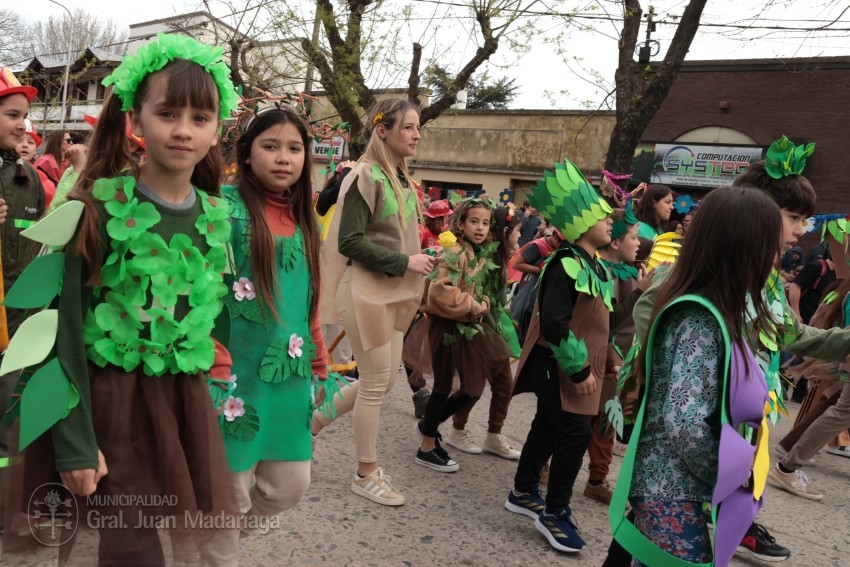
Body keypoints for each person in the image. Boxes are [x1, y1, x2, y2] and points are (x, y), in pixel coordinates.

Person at [2, 34, 240, 564]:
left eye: (201, 117)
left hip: (179, 406)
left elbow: (210, 317)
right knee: (132, 548)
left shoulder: (217, 216)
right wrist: (77, 441)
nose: (183, 129)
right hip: (108, 407)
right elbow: (63, 329)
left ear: (217, 128)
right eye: (167, 112)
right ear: (136, 120)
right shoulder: (98, 209)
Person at [604, 136, 846, 565]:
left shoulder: (749, 289)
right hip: (681, 476)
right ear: (748, 233)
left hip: (695, 469)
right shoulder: (701, 310)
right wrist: (731, 475)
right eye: (792, 219)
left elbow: (791, 334)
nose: (798, 235)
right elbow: (683, 419)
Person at [204, 107, 346, 565]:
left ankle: (206, 539)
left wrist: (320, 360)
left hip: (289, 377)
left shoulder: (306, 221)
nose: (283, 158)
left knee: (289, 485)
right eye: (270, 146)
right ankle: (214, 547)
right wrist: (210, 358)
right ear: (246, 155)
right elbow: (198, 292)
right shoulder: (221, 210)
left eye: (294, 148)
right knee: (231, 496)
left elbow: (309, 301)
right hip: (231, 378)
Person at [614, 185, 780, 567]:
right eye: (767, 246)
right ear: (741, 247)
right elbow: (684, 423)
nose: (774, 258)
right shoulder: (701, 319)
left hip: (672, 486)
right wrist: (729, 475)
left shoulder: (714, 309)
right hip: (670, 488)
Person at [314, 98, 436, 506]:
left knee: (381, 384)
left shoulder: (401, 180)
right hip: (365, 291)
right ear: (382, 130)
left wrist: (419, 263)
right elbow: (348, 242)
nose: (416, 135)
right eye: (408, 127)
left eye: (419, 128)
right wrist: (405, 260)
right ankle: (366, 473)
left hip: (396, 293)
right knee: (372, 385)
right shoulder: (364, 175)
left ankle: (307, 425)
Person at [504, 158, 613, 554]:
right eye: (603, 217)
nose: (610, 224)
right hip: (558, 366)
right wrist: (581, 368)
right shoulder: (566, 263)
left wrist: (611, 359)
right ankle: (555, 512)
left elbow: (597, 322)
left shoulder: (594, 265)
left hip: (575, 368)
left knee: (550, 428)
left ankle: (522, 489)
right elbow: (555, 324)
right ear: (582, 222)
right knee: (574, 433)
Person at [420, 203, 522, 461]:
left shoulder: (479, 254)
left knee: (472, 388)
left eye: (485, 223)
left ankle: (428, 428)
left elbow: (480, 286)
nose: (480, 227)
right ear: (461, 224)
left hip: (467, 325)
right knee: (443, 386)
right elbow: (438, 291)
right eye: (474, 221)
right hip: (446, 325)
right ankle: (427, 445)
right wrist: (470, 303)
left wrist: (485, 301)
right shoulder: (453, 251)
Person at [0, 66, 44, 533]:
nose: (23, 126)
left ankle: (10, 506)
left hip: (16, 327)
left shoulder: (28, 179)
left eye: (25, 116)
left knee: (10, 417)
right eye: (13, 114)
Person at [588, 202, 651, 505]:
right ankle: (545, 467)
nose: (640, 243)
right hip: (599, 358)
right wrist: (643, 290)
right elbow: (610, 319)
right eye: (635, 238)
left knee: (606, 422)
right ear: (615, 242)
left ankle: (597, 478)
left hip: (619, 361)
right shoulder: (603, 272)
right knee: (580, 419)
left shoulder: (627, 271)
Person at [509, 228, 563, 344]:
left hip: (544, 293)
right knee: (525, 318)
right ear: (554, 237)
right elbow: (517, 264)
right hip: (530, 291)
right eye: (562, 243)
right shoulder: (537, 246)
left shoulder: (559, 249)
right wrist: (541, 269)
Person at [14, 118, 55, 206]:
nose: (25, 145)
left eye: (30, 142)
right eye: (19, 140)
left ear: (35, 150)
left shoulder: (42, 178)